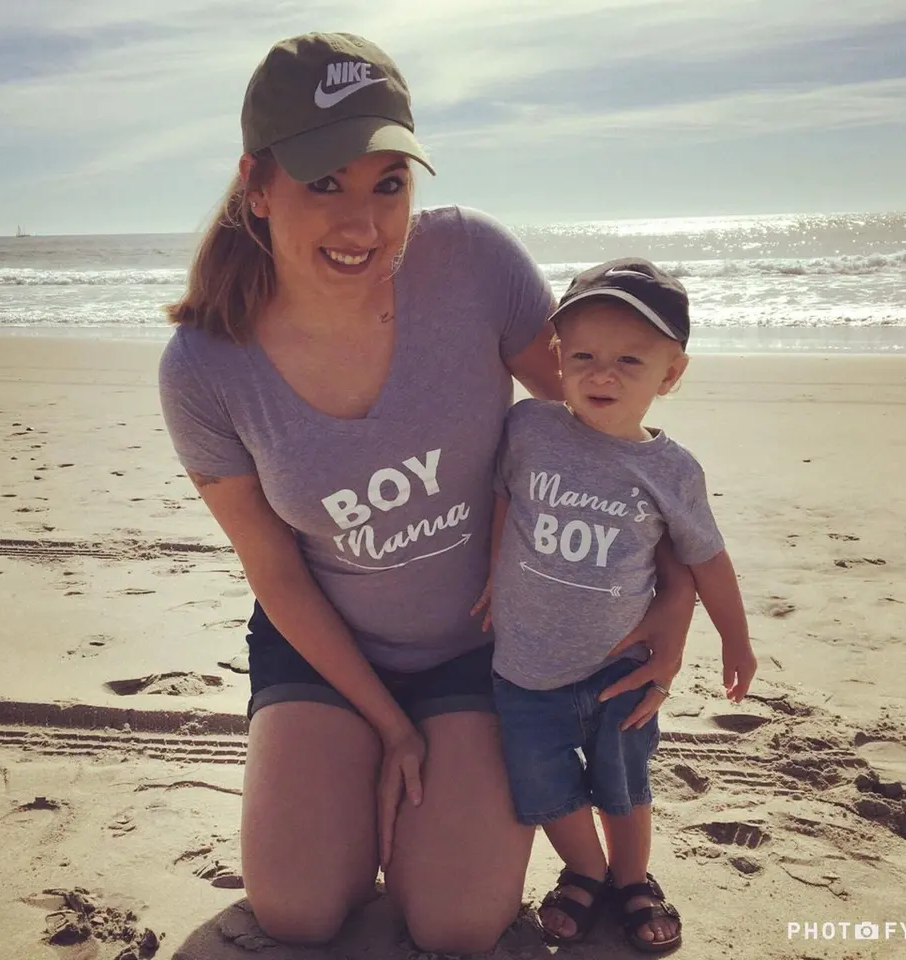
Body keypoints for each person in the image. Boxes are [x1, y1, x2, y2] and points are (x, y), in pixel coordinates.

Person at [159, 32, 695, 953]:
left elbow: (611, 440)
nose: (363, 225)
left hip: (485, 654)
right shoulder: (203, 369)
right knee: (297, 910)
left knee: (456, 922)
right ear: (257, 185)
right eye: (324, 183)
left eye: (388, 184)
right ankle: (354, 755)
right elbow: (274, 572)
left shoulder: (474, 261)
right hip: (326, 655)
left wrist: (675, 600)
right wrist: (385, 725)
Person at [472, 259, 758, 953]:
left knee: (623, 782)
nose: (603, 375)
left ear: (671, 374)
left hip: (621, 667)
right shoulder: (529, 427)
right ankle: (585, 871)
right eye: (585, 357)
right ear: (558, 358)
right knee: (543, 784)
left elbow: (706, 559)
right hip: (524, 667)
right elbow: (504, 495)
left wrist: (735, 639)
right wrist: (493, 573)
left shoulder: (671, 471)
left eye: (630, 360)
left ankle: (632, 878)